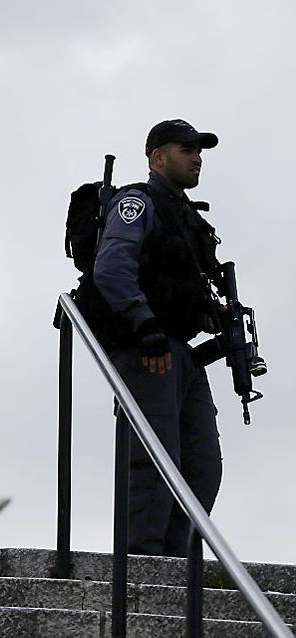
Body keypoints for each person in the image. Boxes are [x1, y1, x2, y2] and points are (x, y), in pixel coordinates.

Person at [93, 119, 224, 556]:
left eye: (198, 150)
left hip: (180, 354)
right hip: (148, 352)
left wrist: (207, 312)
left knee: (203, 468)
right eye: (186, 149)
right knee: (152, 465)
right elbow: (111, 268)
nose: (196, 157)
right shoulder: (138, 202)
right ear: (158, 158)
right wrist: (144, 326)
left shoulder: (185, 216)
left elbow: (179, 282)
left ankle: (176, 565)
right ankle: (142, 567)